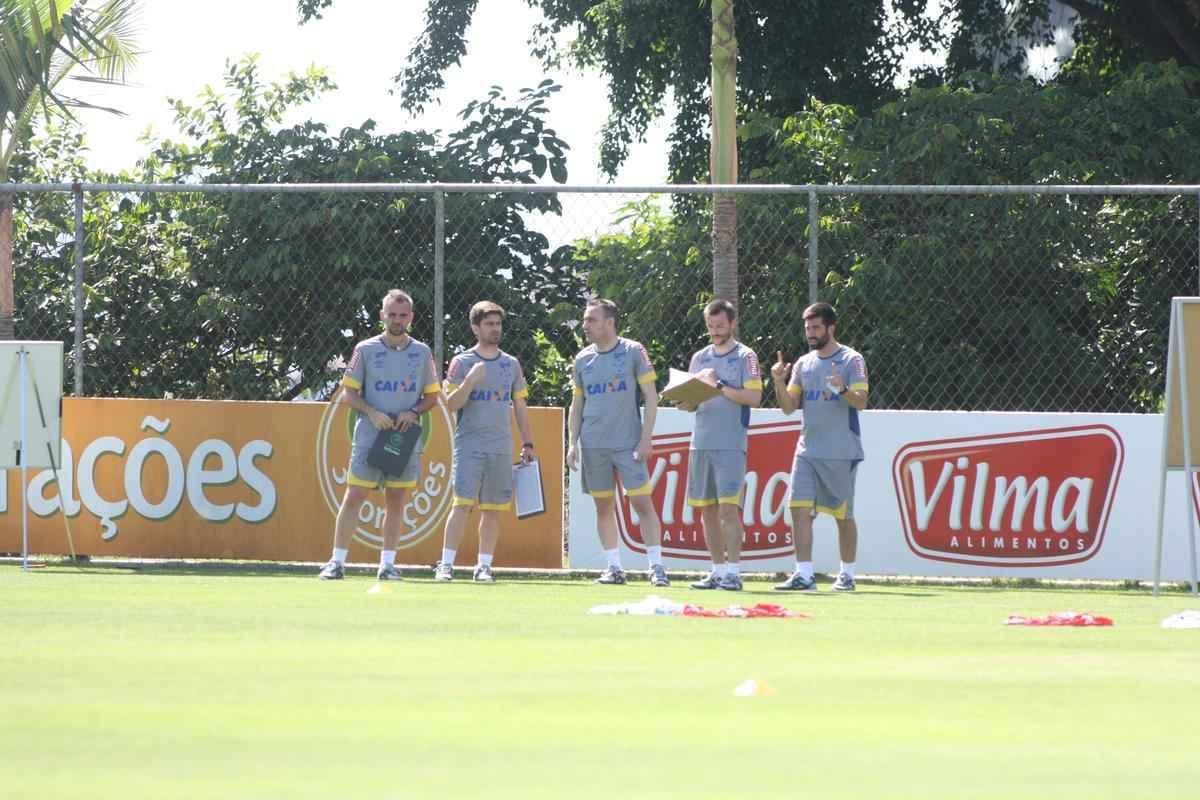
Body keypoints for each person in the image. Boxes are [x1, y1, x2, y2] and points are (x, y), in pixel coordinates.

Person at [318, 289, 442, 581]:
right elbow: (349, 393)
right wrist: (372, 413)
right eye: (392, 314)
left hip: (403, 437)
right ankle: (336, 562)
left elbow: (432, 398)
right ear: (382, 315)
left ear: (411, 317)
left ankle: (387, 565)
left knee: (397, 499)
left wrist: (413, 412)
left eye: (403, 315)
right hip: (369, 435)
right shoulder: (365, 349)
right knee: (354, 495)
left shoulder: (422, 352)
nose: (397, 320)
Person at [567, 299, 668, 586]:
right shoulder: (583, 359)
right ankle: (614, 568)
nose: (585, 325)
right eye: (585, 320)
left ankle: (656, 567)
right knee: (603, 506)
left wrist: (646, 439)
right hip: (594, 444)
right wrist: (572, 444)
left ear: (609, 322)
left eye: (591, 320)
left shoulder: (633, 351)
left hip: (628, 444)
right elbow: (577, 405)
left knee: (641, 503)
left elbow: (651, 396)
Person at [771, 302, 869, 592]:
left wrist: (841, 389)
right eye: (807, 328)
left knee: (843, 516)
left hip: (841, 451)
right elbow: (789, 407)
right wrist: (778, 381)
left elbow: (861, 401)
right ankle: (804, 575)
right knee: (798, 510)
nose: (811, 334)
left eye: (816, 328)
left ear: (831, 328)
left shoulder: (852, 360)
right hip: (807, 451)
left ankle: (847, 575)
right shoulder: (803, 363)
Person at [435, 301, 535, 583]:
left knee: (492, 508)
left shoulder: (511, 364)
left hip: (500, 445)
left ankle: (484, 566)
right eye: (489, 324)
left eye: (498, 324)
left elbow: (520, 406)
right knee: (462, 505)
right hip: (469, 444)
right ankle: (446, 565)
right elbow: (451, 404)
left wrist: (528, 443)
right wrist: (470, 380)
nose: (495, 329)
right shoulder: (461, 362)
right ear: (475, 327)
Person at [674, 299, 762, 591]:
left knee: (728, 510)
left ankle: (734, 573)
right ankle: (716, 571)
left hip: (730, 445)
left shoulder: (746, 356)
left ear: (733, 324)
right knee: (707, 511)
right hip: (700, 444)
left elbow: (753, 398)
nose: (715, 331)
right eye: (710, 326)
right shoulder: (699, 358)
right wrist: (682, 399)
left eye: (720, 326)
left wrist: (720, 385)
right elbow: (690, 404)